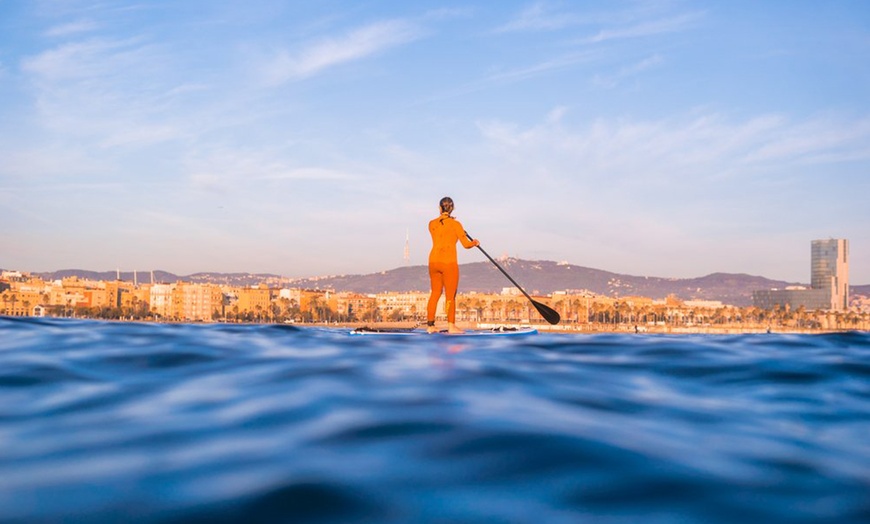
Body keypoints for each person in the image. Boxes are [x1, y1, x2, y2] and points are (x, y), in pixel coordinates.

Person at [427, 196, 479, 334]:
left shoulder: (431, 224)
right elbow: (466, 244)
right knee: (450, 296)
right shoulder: (456, 225)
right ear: (452, 208)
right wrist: (474, 242)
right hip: (448, 262)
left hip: (433, 262)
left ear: (439, 208)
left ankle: (430, 326)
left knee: (435, 293)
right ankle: (451, 325)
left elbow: (441, 227)